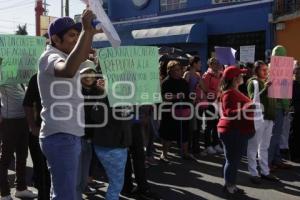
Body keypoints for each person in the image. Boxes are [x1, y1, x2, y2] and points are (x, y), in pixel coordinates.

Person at [38, 10, 102, 200]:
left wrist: (88, 32)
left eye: (77, 34)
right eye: (71, 35)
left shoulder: (67, 57)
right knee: (65, 195)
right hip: (61, 136)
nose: (75, 39)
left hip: (70, 134)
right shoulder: (49, 57)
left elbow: (80, 65)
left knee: (67, 192)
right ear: (56, 39)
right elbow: (66, 70)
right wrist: (87, 32)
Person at [218, 66, 254, 195]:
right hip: (232, 131)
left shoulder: (234, 91)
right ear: (234, 79)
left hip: (236, 130)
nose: (243, 76)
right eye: (240, 75)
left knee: (231, 160)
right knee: (232, 161)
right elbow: (229, 112)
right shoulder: (229, 93)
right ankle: (229, 186)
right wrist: (245, 108)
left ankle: (229, 184)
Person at [0, 84, 38, 200]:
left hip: (24, 119)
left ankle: (21, 188)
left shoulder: (22, 75)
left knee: (22, 156)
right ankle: (5, 192)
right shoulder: (4, 72)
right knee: (5, 158)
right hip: (9, 120)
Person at [246, 61, 278, 184]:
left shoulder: (268, 81)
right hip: (259, 118)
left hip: (269, 117)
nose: (265, 72)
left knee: (264, 147)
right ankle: (253, 173)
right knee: (253, 146)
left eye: (266, 69)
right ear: (256, 71)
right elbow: (252, 99)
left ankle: (265, 172)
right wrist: (266, 87)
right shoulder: (252, 82)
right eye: (262, 70)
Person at [23, 74, 51, 200]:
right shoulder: (38, 77)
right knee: (42, 171)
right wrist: (33, 127)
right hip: (40, 132)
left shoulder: (73, 76)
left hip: (64, 133)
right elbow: (27, 103)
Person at [159, 60, 194, 161]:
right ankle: (164, 154)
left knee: (185, 132)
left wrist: (191, 97)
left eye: (179, 70)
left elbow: (187, 94)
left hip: (183, 110)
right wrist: (176, 96)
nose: (178, 72)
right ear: (169, 71)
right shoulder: (166, 82)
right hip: (169, 112)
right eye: (175, 70)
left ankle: (185, 153)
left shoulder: (183, 82)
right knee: (168, 134)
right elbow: (164, 97)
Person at [268, 46, 292, 170]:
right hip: (278, 107)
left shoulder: (269, 67)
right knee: (275, 135)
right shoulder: (282, 69)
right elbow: (283, 90)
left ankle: (276, 159)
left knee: (274, 134)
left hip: (271, 106)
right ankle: (268, 162)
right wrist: (286, 106)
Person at [183, 56, 207, 155]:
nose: (200, 65)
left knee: (197, 126)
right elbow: (184, 89)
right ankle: (187, 148)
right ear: (194, 63)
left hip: (197, 103)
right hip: (189, 104)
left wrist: (199, 83)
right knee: (190, 127)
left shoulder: (197, 75)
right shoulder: (187, 74)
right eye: (199, 63)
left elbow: (205, 88)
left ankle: (195, 148)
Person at [202, 57, 223, 155]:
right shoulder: (207, 75)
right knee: (209, 125)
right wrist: (215, 93)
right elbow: (205, 89)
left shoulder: (219, 74)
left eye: (217, 63)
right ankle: (207, 146)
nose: (217, 65)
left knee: (216, 124)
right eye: (214, 63)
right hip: (210, 102)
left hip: (218, 102)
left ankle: (216, 144)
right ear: (210, 65)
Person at [290, 64, 300, 162]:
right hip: (295, 111)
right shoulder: (292, 84)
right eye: (297, 72)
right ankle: (294, 155)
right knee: (294, 133)